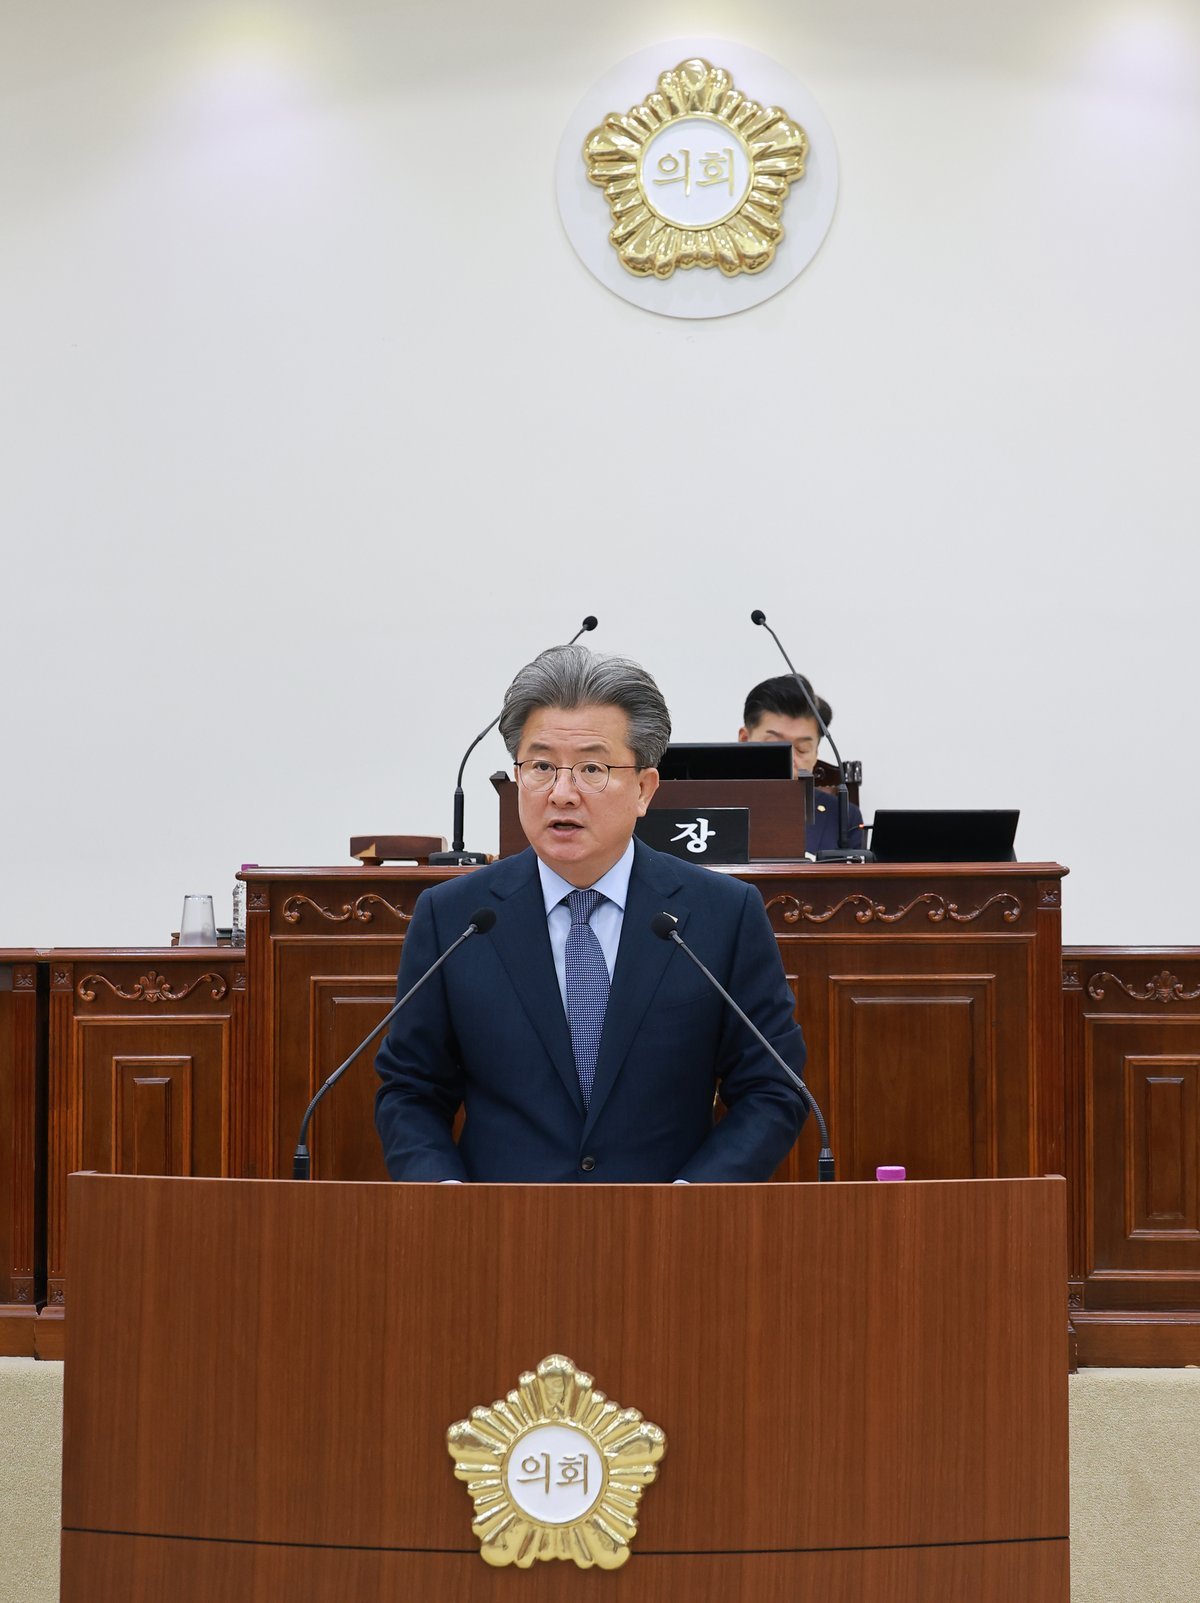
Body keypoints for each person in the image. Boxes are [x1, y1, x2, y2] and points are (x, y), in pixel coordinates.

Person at [375, 645, 806, 1184]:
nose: (562, 793)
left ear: (644, 789)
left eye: (592, 768)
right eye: (540, 767)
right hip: (498, 1225)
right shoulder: (455, 918)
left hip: (668, 1223)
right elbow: (411, 1089)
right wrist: (446, 1199)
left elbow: (772, 1087)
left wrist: (693, 1202)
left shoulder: (722, 914)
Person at [738, 673, 864, 855]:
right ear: (744, 740)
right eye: (775, 746)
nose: (789, 760)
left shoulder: (843, 817)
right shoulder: (709, 804)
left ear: (816, 753)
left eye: (802, 749)